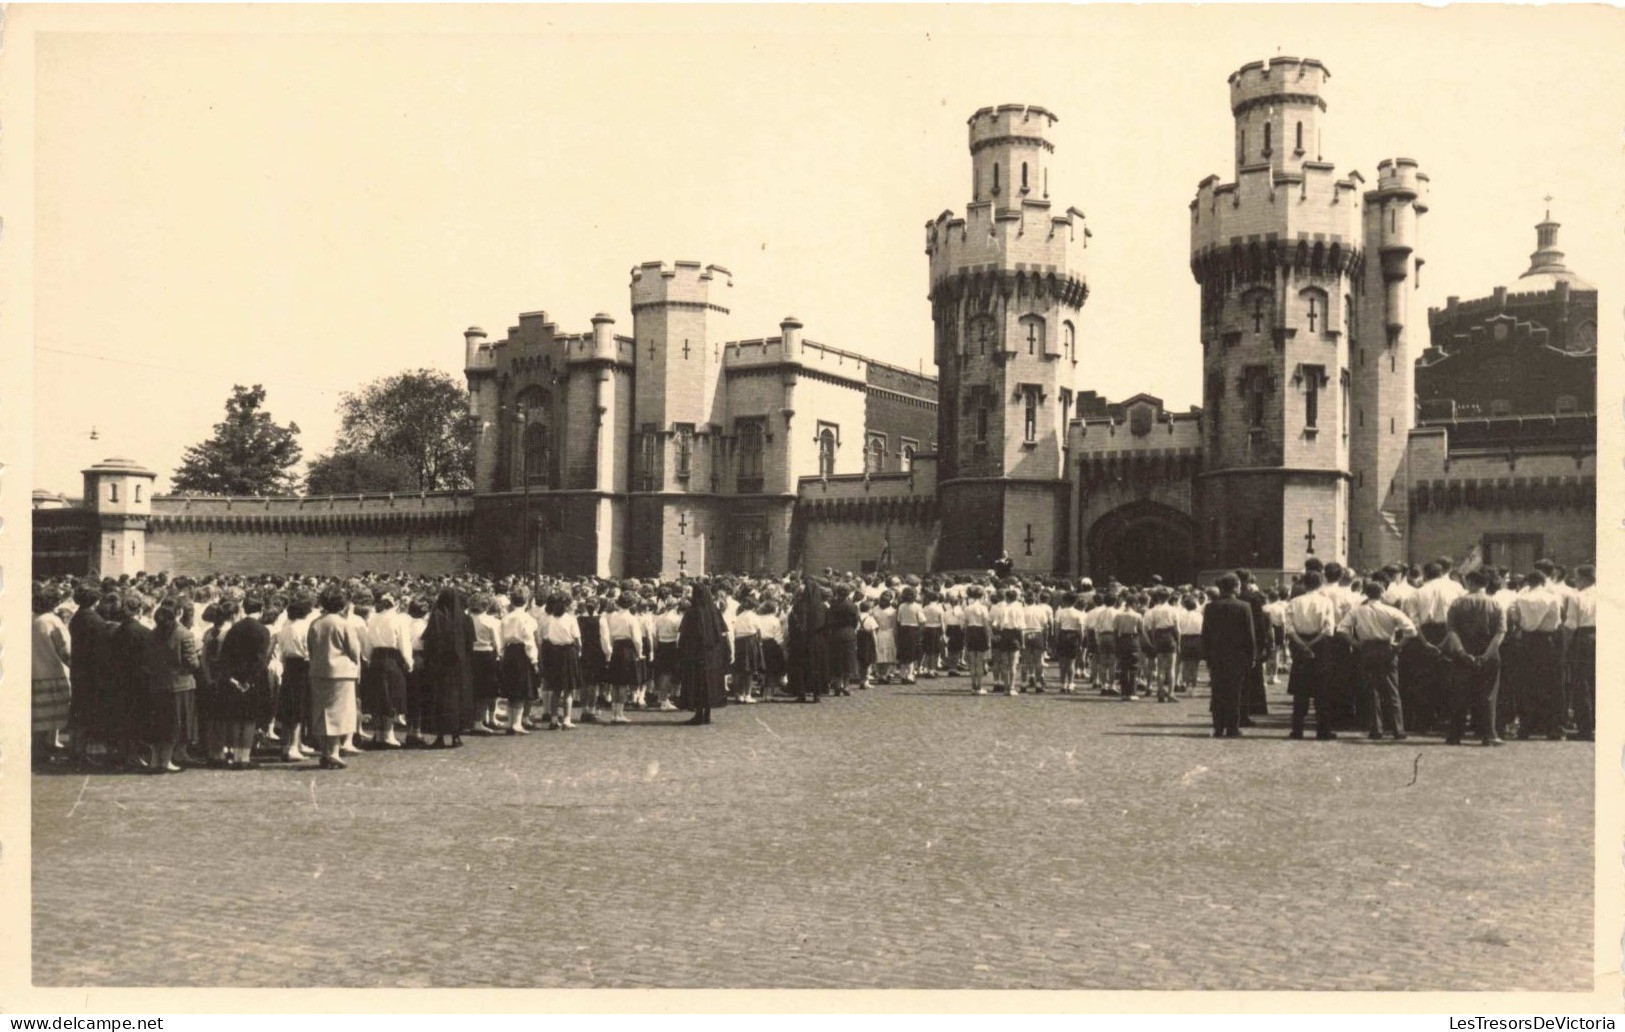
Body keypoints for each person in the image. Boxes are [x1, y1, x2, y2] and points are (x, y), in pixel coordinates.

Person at [1337, 580, 1416, 740]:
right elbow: (1411, 630)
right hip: (1387, 647)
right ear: (1382, 593)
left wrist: (1355, 643)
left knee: (1372, 690)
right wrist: (1399, 646)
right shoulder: (1390, 610)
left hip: (1367, 649)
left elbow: (1342, 629)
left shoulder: (1357, 611)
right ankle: (1398, 728)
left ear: (1366, 594)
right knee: (1392, 688)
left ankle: (1376, 728)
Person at [1441, 569, 1506, 746]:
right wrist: (1486, 655)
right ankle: (1488, 734)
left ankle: (1455, 734)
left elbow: (1452, 631)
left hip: (1463, 648)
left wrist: (1461, 652)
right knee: (1488, 694)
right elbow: (1500, 632)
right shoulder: (1496, 604)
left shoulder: (1457, 603)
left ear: (1470, 583)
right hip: (1489, 649)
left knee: (1460, 693)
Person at [307, 585, 367, 768]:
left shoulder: (315, 623)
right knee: (339, 713)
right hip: (341, 673)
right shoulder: (344, 624)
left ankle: (325, 751)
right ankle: (334, 751)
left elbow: (310, 647)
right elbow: (355, 651)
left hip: (318, 671)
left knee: (322, 712)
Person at [140, 596, 201, 773]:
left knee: (158, 724)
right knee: (173, 725)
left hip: (157, 684)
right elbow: (192, 663)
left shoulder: (150, 635)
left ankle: (155, 760)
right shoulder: (184, 635)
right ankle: (165, 761)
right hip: (180, 685)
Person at [215, 593, 274, 768]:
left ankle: (234, 754)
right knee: (249, 720)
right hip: (253, 679)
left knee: (235, 718)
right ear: (261, 609)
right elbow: (261, 659)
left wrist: (232, 678)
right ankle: (244, 756)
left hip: (234, 677)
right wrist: (250, 680)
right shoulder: (262, 630)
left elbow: (225, 656)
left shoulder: (234, 629)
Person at [1284, 570, 1338, 740]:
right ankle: (1323, 730)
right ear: (1320, 583)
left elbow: (1289, 628)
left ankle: (1297, 729)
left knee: (1300, 692)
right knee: (1323, 691)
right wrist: (1313, 644)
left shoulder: (1294, 602)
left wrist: (1302, 644)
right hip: (1320, 645)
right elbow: (1329, 629)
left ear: (1304, 584)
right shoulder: (1325, 602)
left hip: (1299, 644)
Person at [1201, 574, 1255, 738]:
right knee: (1234, 692)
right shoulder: (1244, 606)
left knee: (1217, 692)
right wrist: (1251, 656)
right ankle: (1233, 727)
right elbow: (1249, 634)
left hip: (1216, 656)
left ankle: (1218, 726)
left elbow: (1206, 634)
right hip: (1237, 656)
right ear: (1235, 587)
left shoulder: (1210, 607)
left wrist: (1207, 656)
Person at [66, 583, 112, 766]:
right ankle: (82, 752)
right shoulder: (96, 621)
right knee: (88, 712)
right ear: (95, 600)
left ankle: (74, 748)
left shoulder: (76, 617)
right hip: (92, 672)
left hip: (78, 668)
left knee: (77, 710)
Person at [422, 587, 471, 749]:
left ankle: (440, 736)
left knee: (440, 700)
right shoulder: (465, 619)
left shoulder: (436, 617)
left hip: (440, 666)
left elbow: (428, 642)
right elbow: (470, 643)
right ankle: (456, 735)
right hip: (459, 666)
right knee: (457, 700)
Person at [32, 585, 73, 767]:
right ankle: (43, 752)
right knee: (49, 717)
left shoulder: (32, 619)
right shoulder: (52, 622)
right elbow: (65, 650)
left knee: (39, 716)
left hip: (34, 670)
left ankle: (42, 748)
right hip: (52, 671)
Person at [678, 583, 730, 725]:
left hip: (695, 654)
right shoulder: (714, 611)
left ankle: (698, 713)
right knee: (709, 683)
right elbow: (723, 633)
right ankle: (706, 713)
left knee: (697, 683)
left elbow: (684, 635)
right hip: (712, 654)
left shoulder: (692, 612)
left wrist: (682, 651)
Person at [276, 591, 317, 762]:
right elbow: (310, 650)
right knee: (298, 707)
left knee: (289, 706)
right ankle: (293, 746)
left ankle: (290, 744)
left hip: (289, 667)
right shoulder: (305, 628)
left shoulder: (285, 628)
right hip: (302, 666)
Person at [538, 593, 584, 728]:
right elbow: (577, 639)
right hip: (568, 652)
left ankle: (553, 719)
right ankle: (567, 719)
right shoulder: (571, 619)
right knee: (568, 689)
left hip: (554, 652)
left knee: (556, 689)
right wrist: (579, 650)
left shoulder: (550, 619)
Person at [1567, 563, 1595, 742]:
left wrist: (1564, 646)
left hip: (1583, 638)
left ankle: (1585, 728)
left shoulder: (1578, 597)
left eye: (1576, 578)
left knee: (1581, 683)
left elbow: (1571, 624)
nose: (1574, 581)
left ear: (1584, 579)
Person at [824, 584, 858, 697]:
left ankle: (837, 686)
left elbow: (828, 621)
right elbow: (855, 622)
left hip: (835, 635)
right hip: (848, 634)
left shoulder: (833, 606)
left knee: (836, 660)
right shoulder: (852, 606)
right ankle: (847, 686)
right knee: (847, 660)